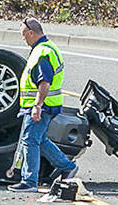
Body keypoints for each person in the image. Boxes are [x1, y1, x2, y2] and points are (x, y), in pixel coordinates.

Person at [8, 17, 77, 192]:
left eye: (24, 34)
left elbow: (44, 82)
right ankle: (67, 167)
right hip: (45, 105)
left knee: (29, 140)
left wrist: (37, 106)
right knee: (40, 140)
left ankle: (29, 181)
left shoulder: (42, 53)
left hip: (41, 106)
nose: (23, 38)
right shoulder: (46, 48)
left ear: (31, 33)